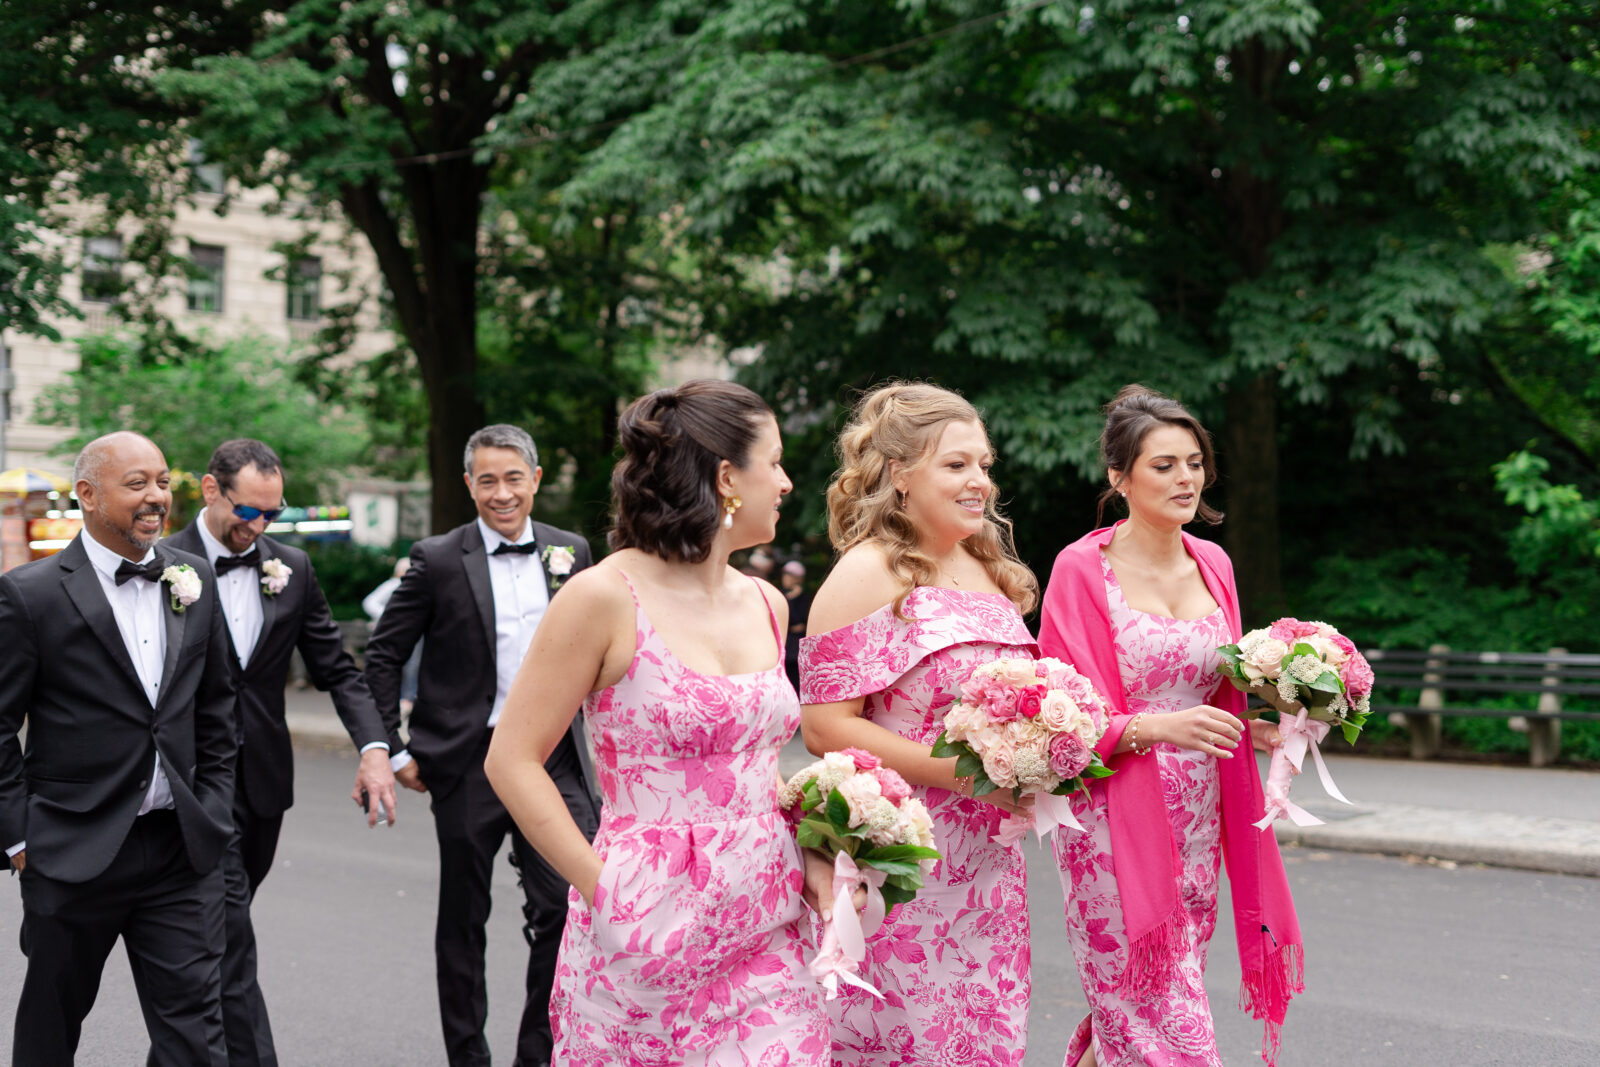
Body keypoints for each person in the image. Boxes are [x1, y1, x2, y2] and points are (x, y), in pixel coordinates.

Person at [484, 380, 832, 1064]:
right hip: (648, 929)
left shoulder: (768, 602)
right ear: (729, 477)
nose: (788, 482)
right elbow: (512, 757)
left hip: (769, 921)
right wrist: (604, 888)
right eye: (777, 462)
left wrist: (815, 844)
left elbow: (758, 757)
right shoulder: (603, 597)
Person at [1037, 385, 1303, 1067]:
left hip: (1201, 814)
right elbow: (1062, 717)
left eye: (1194, 462)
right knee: (1164, 1015)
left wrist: (1258, 727)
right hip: (1111, 819)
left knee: (1143, 1001)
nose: (1186, 478)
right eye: (1164, 465)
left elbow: (1222, 691)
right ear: (1118, 476)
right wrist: (1156, 728)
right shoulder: (1080, 569)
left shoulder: (1214, 563)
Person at [800, 382, 1039, 1065]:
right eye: (956, 464)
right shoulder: (867, 571)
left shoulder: (992, 570)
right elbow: (823, 726)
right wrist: (967, 776)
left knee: (982, 1042)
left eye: (985, 465)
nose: (980, 482)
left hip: (990, 872)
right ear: (900, 474)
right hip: (903, 867)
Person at [363, 424, 599, 1067]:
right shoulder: (438, 558)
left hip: (554, 760)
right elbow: (383, 655)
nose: (501, 493)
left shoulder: (570, 552)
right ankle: (467, 1057)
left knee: (564, 908)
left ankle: (537, 1055)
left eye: (513, 478)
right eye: (487, 480)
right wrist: (395, 747)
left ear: (536, 480)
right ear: (469, 484)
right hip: (469, 761)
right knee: (465, 920)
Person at [0, 431, 236, 1065]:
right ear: (87, 494)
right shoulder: (32, 593)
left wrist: (213, 806)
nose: (156, 497)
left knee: (195, 1030)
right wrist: (21, 837)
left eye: (161, 481)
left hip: (178, 848)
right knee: (52, 1021)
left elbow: (216, 709)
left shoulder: (194, 580)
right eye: (137, 484)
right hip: (71, 848)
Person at [163, 438, 397, 1067]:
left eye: (273, 513)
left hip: (263, 784)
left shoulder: (290, 568)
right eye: (248, 513)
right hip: (187, 787)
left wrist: (375, 748)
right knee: (231, 938)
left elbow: (338, 672)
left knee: (217, 938)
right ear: (212, 491)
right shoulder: (160, 562)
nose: (259, 527)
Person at [363, 558, 419, 708]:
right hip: (396, 633)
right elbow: (369, 602)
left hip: (412, 632)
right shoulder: (392, 585)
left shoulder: (414, 586)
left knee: (412, 665)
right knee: (401, 665)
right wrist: (390, 617)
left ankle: (408, 698)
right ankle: (402, 699)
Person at [780, 559, 811, 693]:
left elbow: (800, 623)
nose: (786, 578)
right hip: (783, 649)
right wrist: (789, 599)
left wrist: (793, 599)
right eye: (786, 575)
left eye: (791, 576)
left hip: (796, 651)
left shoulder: (804, 598)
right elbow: (785, 621)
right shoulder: (780, 595)